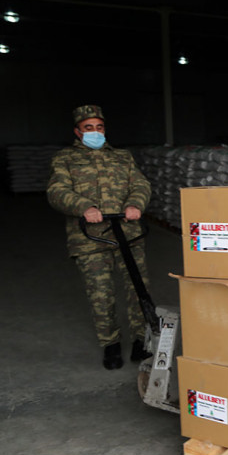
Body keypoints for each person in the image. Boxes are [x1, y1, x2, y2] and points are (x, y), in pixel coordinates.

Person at [47, 104, 153, 370]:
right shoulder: (65, 158)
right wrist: (84, 207)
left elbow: (141, 184)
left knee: (137, 288)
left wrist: (135, 204)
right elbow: (57, 190)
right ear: (77, 131)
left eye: (99, 127)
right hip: (90, 239)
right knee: (101, 293)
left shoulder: (122, 156)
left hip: (128, 234)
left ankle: (142, 340)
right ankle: (111, 344)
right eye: (88, 128)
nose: (95, 132)